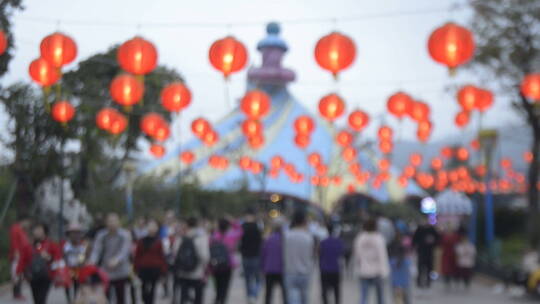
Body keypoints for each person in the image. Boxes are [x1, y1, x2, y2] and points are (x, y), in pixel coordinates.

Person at [88, 213, 132, 304]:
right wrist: (92, 261)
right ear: (106, 223)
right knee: (105, 296)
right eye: (110, 221)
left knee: (121, 297)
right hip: (105, 270)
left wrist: (117, 260)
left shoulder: (125, 234)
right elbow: (96, 250)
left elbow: (125, 251)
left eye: (114, 221)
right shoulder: (101, 235)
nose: (112, 223)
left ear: (119, 222)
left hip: (121, 270)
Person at [17, 223, 62, 304]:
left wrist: (49, 258)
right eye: (35, 229)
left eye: (39, 229)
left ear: (44, 231)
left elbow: (58, 259)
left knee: (42, 299)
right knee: (36, 298)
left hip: (46, 276)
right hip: (32, 276)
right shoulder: (28, 246)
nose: (37, 232)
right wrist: (19, 272)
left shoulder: (51, 244)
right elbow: (23, 260)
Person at [172, 216, 209, 304]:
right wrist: (204, 268)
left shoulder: (181, 237)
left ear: (186, 225)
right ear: (197, 224)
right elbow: (205, 256)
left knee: (183, 296)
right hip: (197, 272)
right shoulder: (201, 237)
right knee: (198, 297)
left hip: (183, 272)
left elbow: (175, 252)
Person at [353, 218, 389, 304]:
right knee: (380, 297)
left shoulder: (360, 238)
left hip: (363, 270)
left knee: (364, 296)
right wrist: (385, 271)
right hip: (377, 271)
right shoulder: (379, 238)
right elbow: (382, 256)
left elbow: (357, 255)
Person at [284, 210, 315, 304]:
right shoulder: (309, 237)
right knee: (304, 299)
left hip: (290, 271)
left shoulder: (287, 236)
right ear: (303, 221)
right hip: (305, 272)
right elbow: (311, 255)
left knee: (292, 299)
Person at [134, 219, 168, 304]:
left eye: (154, 226)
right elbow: (137, 255)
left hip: (155, 269)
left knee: (152, 290)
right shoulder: (141, 241)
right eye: (150, 226)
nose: (152, 228)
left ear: (157, 228)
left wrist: (164, 271)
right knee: (143, 290)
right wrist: (135, 269)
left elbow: (161, 256)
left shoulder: (159, 241)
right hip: (143, 269)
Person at [211, 217, 242, 304]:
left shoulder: (214, 236)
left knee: (218, 286)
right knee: (225, 287)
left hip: (216, 265)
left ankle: (217, 299)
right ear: (228, 226)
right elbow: (240, 230)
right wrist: (233, 221)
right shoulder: (231, 236)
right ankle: (222, 300)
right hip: (228, 264)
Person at [261, 218, 287, 304]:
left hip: (269, 269)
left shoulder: (268, 239)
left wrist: (262, 268)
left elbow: (263, 254)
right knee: (285, 294)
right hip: (282, 270)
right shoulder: (285, 239)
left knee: (268, 293)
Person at [240, 209, 263, 304]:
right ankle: (254, 293)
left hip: (245, 256)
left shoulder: (242, 228)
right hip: (256, 256)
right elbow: (260, 242)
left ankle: (249, 295)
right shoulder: (257, 228)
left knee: (247, 278)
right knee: (257, 278)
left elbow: (240, 243)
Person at [63, 223, 89, 303]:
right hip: (68, 268)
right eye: (72, 233)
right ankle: (69, 300)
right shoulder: (66, 245)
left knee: (77, 285)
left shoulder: (83, 245)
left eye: (77, 233)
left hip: (78, 268)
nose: (75, 235)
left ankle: (76, 300)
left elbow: (83, 257)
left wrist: (80, 262)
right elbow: (63, 256)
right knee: (67, 285)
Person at [319, 223, 344, 304]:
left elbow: (320, 255)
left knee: (324, 291)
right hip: (335, 269)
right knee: (336, 290)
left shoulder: (323, 242)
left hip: (325, 269)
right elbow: (340, 254)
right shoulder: (338, 242)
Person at [412, 218, 440, 289]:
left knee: (429, 267)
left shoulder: (432, 229)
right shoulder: (420, 229)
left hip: (429, 251)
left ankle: (428, 281)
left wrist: (433, 242)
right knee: (420, 267)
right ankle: (419, 281)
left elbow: (438, 239)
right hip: (421, 251)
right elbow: (414, 240)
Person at [9, 213, 31, 301]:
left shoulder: (22, 230)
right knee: (16, 275)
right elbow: (14, 242)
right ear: (24, 220)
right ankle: (16, 293)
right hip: (17, 256)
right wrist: (16, 253)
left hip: (22, 256)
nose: (29, 224)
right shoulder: (15, 228)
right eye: (28, 222)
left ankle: (17, 293)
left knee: (19, 275)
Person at [389, 234, 411, 304]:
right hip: (405, 284)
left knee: (396, 299)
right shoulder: (407, 261)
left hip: (395, 284)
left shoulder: (392, 262)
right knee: (406, 299)